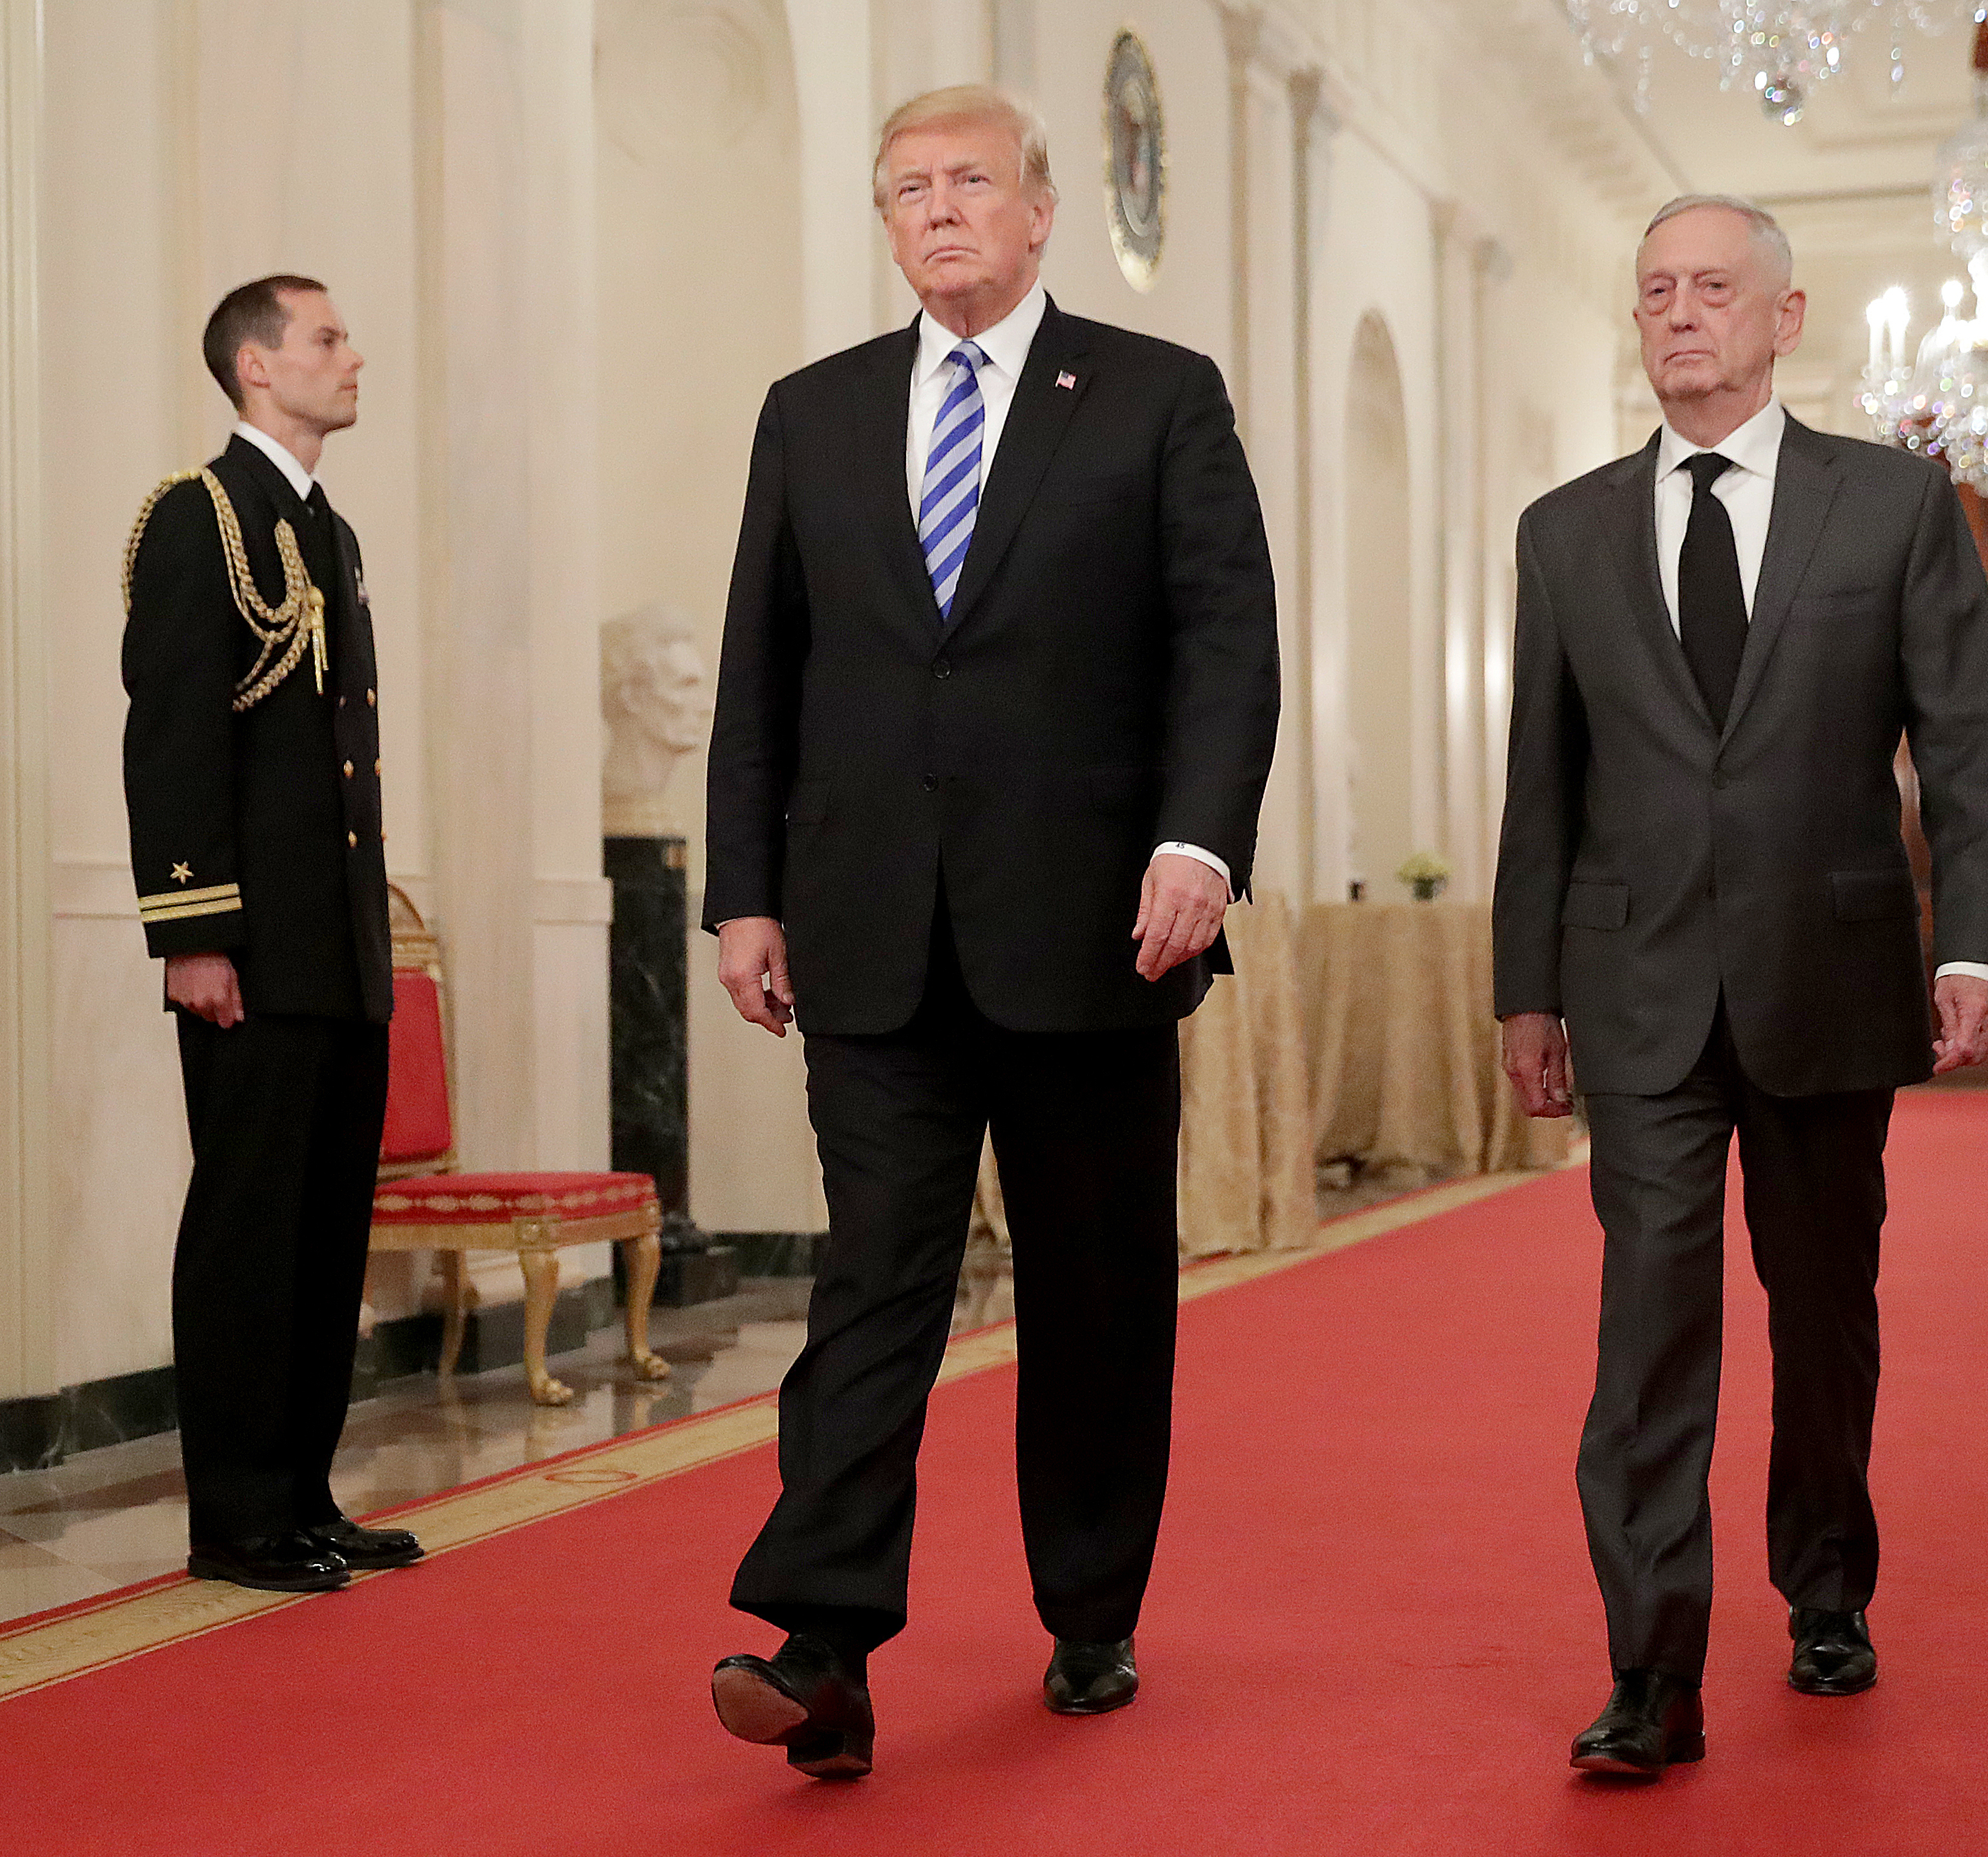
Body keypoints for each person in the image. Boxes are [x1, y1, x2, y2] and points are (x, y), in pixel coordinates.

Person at [700, 85, 1279, 1780]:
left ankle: (1090, 1604)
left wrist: (1197, 845)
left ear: (1039, 211)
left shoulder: (1157, 400)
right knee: (871, 1280)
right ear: (882, 224)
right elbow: (763, 670)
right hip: (869, 928)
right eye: (906, 189)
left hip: (1101, 932)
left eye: (969, 181)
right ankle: (819, 1645)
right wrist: (743, 888)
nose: (938, 210)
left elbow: (1221, 645)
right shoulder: (809, 415)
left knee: (1093, 1291)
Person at [1492, 196, 1988, 1776]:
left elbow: (1971, 744)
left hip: (1831, 975)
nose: (1679, 315)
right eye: (1655, 291)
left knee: (1822, 1312)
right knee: (1648, 1330)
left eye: (1712, 290)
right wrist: (1528, 987)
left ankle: (1825, 1585)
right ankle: (1650, 1670)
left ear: (1782, 319)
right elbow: (1545, 780)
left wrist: (1978, 940)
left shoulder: (1893, 505)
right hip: (1638, 986)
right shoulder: (1566, 529)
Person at [122, 275, 422, 1593]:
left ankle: (303, 1492)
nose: (354, 355)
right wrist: (194, 930)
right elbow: (173, 733)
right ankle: (235, 1516)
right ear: (257, 368)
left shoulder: (327, 530)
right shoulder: (200, 518)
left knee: (322, 1236)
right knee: (250, 1230)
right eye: (326, 337)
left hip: (334, 950)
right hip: (247, 950)